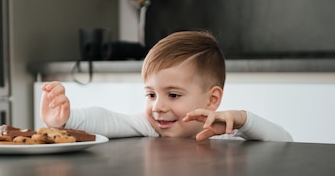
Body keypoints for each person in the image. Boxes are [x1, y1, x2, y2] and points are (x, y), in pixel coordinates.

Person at [40, 30, 292, 142]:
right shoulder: (152, 128)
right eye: (150, 94)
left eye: (173, 94)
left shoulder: (225, 133)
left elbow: (284, 141)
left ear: (212, 100)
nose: (158, 107)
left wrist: (242, 120)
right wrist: (66, 119)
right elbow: (108, 120)